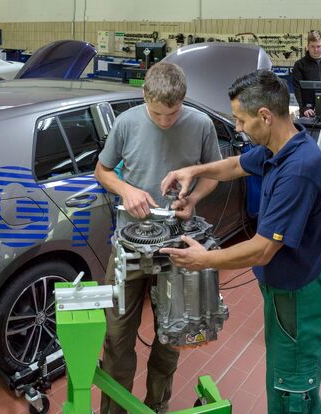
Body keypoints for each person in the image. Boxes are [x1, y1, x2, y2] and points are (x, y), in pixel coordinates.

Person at [159, 69, 321, 414]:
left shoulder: (297, 169)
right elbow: (235, 165)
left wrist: (204, 259)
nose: (237, 128)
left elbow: (263, 249)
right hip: (283, 293)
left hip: (299, 300)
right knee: (281, 379)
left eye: (240, 121)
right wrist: (193, 172)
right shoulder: (277, 147)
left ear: (265, 116)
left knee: (293, 388)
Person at [92, 61, 222, 414]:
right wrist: (126, 190)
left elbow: (213, 174)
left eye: (173, 112)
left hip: (177, 248)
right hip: (129, 246)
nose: (165, 120)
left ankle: (157, 406)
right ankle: (115, 410)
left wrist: (193, 199)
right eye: (157, 113)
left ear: (183, 100)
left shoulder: (201, 124)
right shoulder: (127, 122)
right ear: (144, 97)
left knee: (171, 334)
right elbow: (102, 170)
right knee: (117, 337)